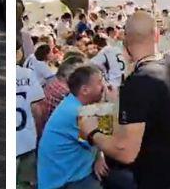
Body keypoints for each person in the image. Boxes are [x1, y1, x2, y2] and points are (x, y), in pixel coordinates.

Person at [81, 10, 170, 189]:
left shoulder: (136, 84)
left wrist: (92, 133)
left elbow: (127, 152)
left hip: (154, 178)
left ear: (125, 41)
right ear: (156, 35)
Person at [37, 65, 108, 189]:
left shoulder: (74, 103)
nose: (104, 86)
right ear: (85, 90)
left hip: (72, 174)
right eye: (100, 82)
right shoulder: (76, 112)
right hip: (65, 182)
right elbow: (110, 142)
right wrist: (111, 101)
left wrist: (99, 155)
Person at [18, 58, 46, 188]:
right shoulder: (28, 74)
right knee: (25, 182)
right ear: (18, 53)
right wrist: (39, 134)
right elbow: (37, 108)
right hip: (26, 138)